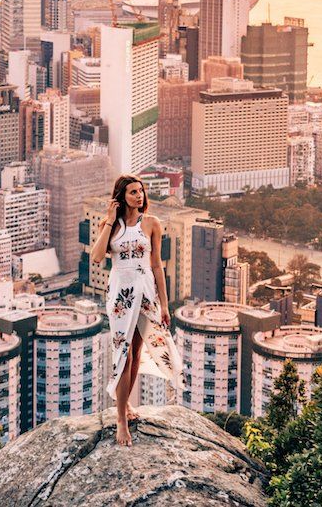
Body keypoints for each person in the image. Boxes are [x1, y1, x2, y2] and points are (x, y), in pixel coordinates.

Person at [91, 174, 184, 446]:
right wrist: (109, 219)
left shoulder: (152, 223)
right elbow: (97, 257)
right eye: (132, 192)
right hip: (120, 293)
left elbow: (157, 265)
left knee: (137, 352)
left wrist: (164, 304)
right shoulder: (111, 226)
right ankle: (121, 419)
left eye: (140, 191)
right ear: (122, 196)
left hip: (146, 291)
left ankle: (126, 407)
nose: (139, 196)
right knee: (125, 354)